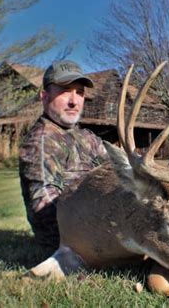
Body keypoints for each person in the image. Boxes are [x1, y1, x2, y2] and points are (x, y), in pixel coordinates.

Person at [19, 60, 108, 249]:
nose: (74, 101)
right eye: (65, 91)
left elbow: (119, 169)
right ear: (44, 96)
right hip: (72, 244)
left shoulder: (86, 138)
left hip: (104, 226)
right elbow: (46, 215)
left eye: (80, 92)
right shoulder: (40, 143)